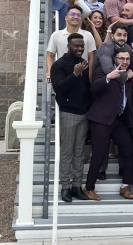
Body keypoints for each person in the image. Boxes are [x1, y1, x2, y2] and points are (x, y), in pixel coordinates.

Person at [83, 47, 133, 201]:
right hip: (101, 119)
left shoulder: (129, 76)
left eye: (127, 59)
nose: (125, 62)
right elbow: (93, 88)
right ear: (115, 59)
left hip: (118, 120)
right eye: (121, 58)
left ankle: (125, 185)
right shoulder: (104, 71)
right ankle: (89, 187)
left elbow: (129, 98)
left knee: (129, 149)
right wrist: (108, 77)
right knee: (99, 153)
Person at [50, 33, 91, 202]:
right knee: (67, 152)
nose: (80, 49)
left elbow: (87, 88)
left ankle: (77, 186)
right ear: (68, 46)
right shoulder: (59, 65)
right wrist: (74, 74)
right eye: (76, 46)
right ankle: (65, 187)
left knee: (79, 152)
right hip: (68, 113)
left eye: (82, 46)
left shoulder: (83, 64)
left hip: (84, 113)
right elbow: (59, 88)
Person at [46, 5, 96, 82]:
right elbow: (50, 56)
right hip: (62, 74)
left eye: (78, 15)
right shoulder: (56, 35)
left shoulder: (88, 35)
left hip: (82, 73)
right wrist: (50, 72)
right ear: (66, 17)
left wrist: (89, 77)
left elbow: (91, 58)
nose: (75, 17)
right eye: (72, 14)